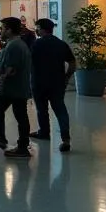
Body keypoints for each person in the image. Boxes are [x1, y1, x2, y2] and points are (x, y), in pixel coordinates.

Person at [0, 16, 34, 159]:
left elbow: (9, 69)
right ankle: (5, 138)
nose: (0, 31)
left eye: (3, 28)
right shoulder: (18, 44)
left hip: (14, 88)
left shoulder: (13, 46)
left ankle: (16, 144)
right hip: (18, 87)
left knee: (14, 114)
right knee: (16, 114)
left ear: (10, 30)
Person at [29, 18, 75, 150]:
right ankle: (66, 139)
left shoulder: (36, 44)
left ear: (42, 28)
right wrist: (66, 77)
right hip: (57, 83)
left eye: (37, 27)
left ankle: (44, 132)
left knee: (41, 110)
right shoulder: (61, 44)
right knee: (60, 110)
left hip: (38, 83)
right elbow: (72, 63)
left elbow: (28, 62)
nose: (35, 30)